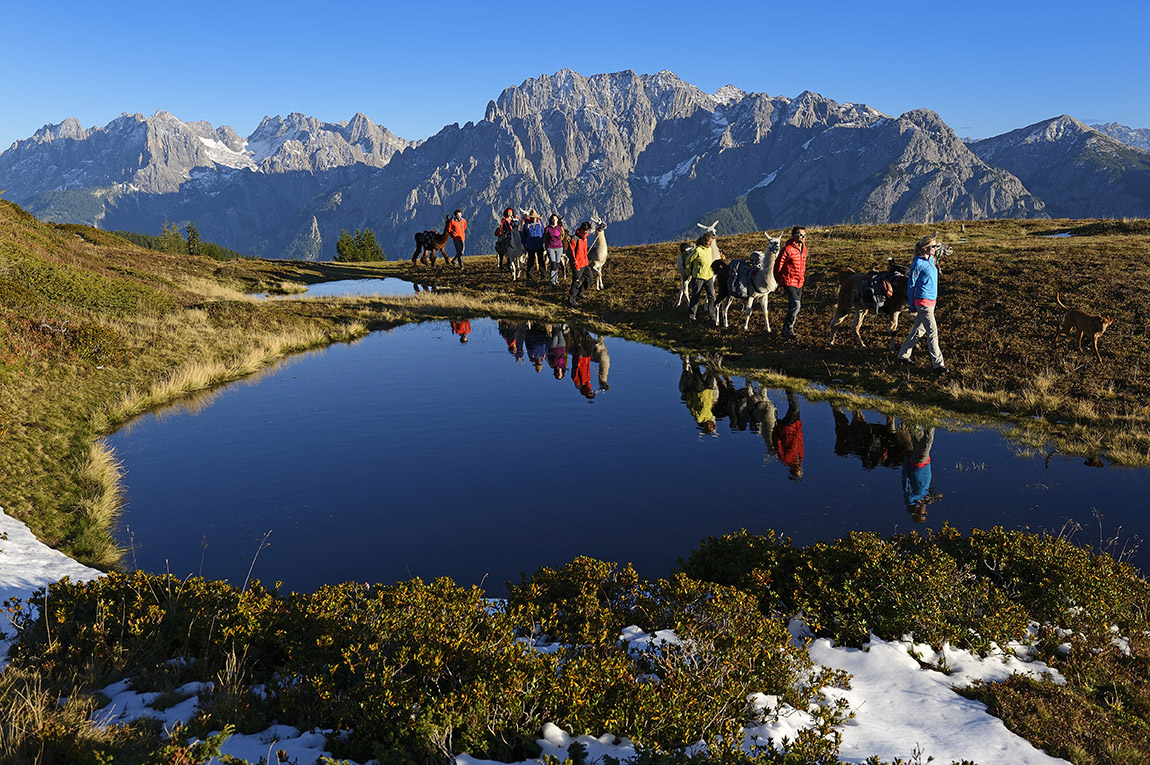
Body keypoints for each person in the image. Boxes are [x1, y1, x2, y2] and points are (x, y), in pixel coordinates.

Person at [895, 236, 948, 374]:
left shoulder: (931, 260)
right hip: (923, 302)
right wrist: (912, 304)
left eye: (936, 246)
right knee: (932, 332)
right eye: (933, 247)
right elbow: (911, 285)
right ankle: (938, 365)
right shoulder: (918, 263)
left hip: (931, 302)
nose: (936, 249)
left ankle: (903, 355)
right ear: (924, 248)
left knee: (920, 330)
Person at [774, 226, 807, 339]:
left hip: (799, 282)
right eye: (801, 235)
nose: (803, 237)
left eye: (804, 235)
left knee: (795, 306)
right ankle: (788, 329)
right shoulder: (787, 249)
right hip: (788, 281)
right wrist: (777, 280)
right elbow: (778, 265)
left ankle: (787, 328)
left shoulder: (804, 248)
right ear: (794, 236)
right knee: (796, 305)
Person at [902, 423, 939, 522]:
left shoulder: (911, 499)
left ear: (917, 512)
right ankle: (914, 419)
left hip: (918, 463)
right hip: (925, 464)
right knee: (918, 436)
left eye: (924, 514)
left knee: (928, 441)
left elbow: (905, 479)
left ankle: (931, 420)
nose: (926, 511)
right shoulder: (924, 499)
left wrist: (906, 460)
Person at [684, 232, 717, 324]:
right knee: (695, 296)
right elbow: (688, 261)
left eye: (711, 242)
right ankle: (692, 317)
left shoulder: (709, 250)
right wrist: (688, 272)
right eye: (708, 242)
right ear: (703, 241)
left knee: (711, 297)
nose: (709, 244)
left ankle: (712, 317)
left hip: (709, 277)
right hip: (698, 277)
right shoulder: (697, 250)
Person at [772, 390, 804, 480]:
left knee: (795, 408)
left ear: (793, 469)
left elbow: (777, 443)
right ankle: (791, 392)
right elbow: (800, 442)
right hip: (796, 427)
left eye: (798, 471)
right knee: (794, 408)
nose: (800, 469)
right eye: (801, 471)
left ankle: (789, 390)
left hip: (787, 429)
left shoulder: (785, 459)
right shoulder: (800, 457)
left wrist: (776, 429)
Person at [568, 222, 593, 307]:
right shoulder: (575, 238)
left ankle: (580, 292)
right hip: (577, 264)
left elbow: (584, 251)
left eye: (587, 231)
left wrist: (586, 260)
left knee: (589, 278)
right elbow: (571, 252)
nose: (586, 232)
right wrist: (575, 263)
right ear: (581, 229)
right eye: (585, 230)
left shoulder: (585, 238)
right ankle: (572, 300)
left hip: (584, 263)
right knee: (576, 282)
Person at [521, 210, 546, 282]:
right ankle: (529, 276)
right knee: (531, 261)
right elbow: (524, 235)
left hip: (539, 244)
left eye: (534, 217)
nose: (533, 219)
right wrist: (524, 244)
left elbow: (543, 232)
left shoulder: (540, 223)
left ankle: (543, 276)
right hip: (530, 245)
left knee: (541, 260)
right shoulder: (527, 225)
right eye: (532, 217)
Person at [544, 214, 566, 285]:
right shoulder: (548, 228)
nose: (554, 221)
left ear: (557, 220)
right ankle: (552, 280)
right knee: (553, 263)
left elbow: (562, 235)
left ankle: (556, 279)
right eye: (553, 219)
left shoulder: (560, 228)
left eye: (555, 219)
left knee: (557, 263)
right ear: (551, 220)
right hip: (550, 247)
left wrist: (559, 241)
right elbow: (545, 237)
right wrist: (547, 245)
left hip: (559, 247)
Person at [494, 207, 517, 273]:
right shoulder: (504, 220)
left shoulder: (513, 219)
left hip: (512, 234)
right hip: (507, 235)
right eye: (509, 212)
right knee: (505, 244)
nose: (510, 213)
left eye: (511, 212)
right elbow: (503, 228)